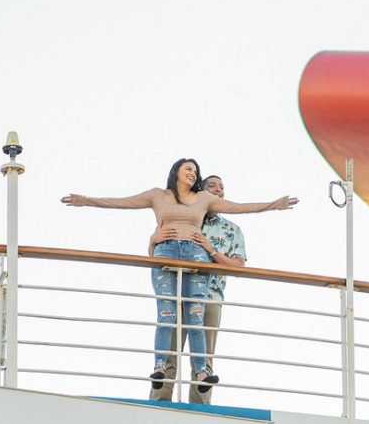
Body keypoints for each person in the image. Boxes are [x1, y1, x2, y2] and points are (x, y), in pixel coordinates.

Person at [61, 158, 297, 393]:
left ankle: (202, 372)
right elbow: (122, 202)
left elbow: (240, 207)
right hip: (167, 253)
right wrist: (84, 201)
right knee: (166, 314)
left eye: (195, 170)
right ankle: (159, 368)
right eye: (188, 169)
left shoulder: (207, 204)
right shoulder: (157, 195)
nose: (193, 173)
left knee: (195, 317)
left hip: (198, 261)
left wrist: (274, 204)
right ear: (176, 172)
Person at [148, 174, 245, 403]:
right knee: (168, 356)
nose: (218, 190)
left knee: (203, 360)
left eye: (222, 187)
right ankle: (157, 408)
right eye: (212, 186)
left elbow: (239, 265)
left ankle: (201, 411)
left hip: (210, 298)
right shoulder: (180, 216)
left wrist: (211, 251)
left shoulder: (231, 230)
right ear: (201, 191)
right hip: (176, 294)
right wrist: (153, 240)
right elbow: (154, 257)